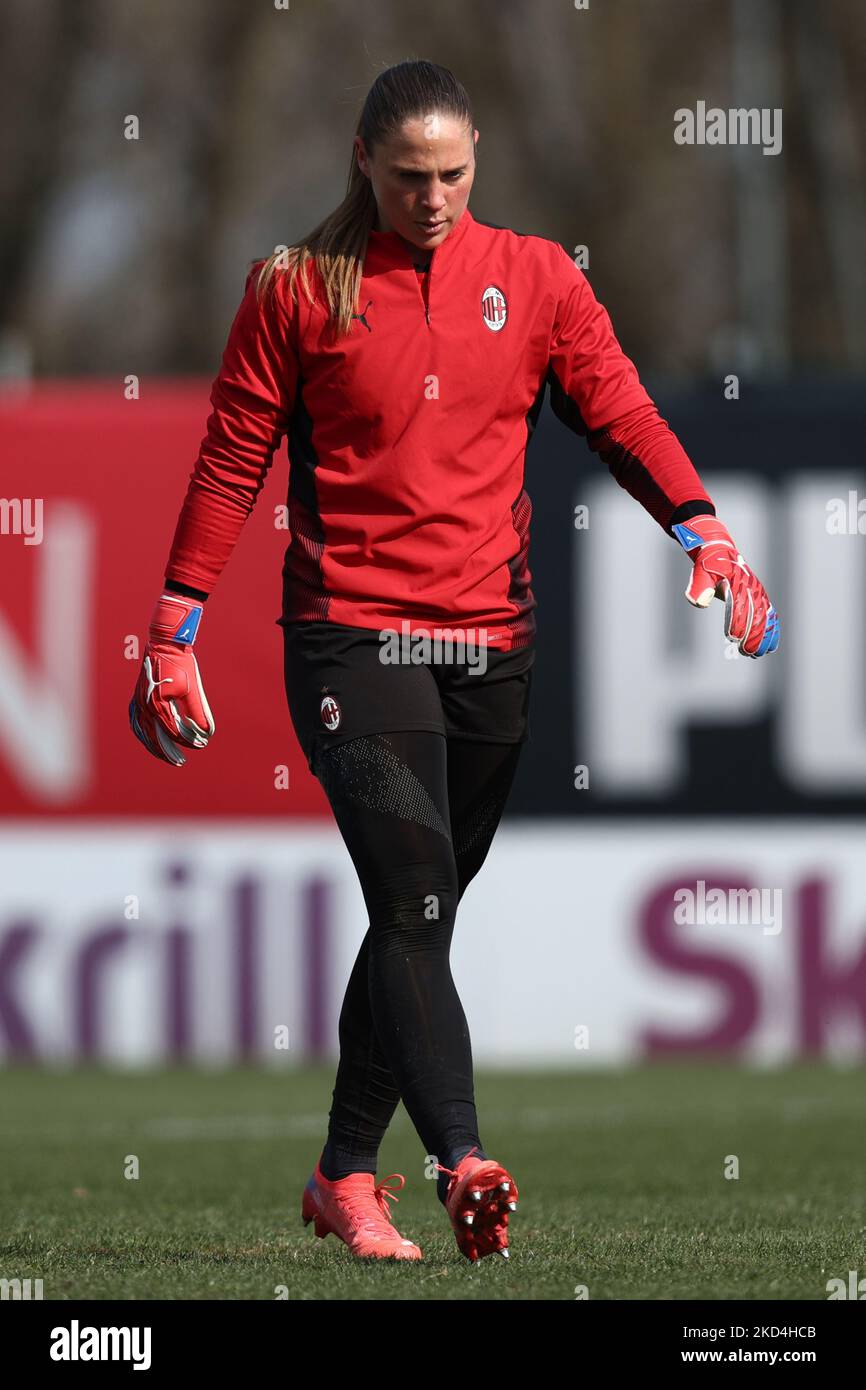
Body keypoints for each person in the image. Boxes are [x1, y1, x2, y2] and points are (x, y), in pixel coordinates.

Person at [128, 59, 780, 1265]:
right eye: (410, 175)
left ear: (477, 160)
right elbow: (229, 462)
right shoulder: (294, 288)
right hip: (349, 634)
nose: (433, 197)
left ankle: (338, 1176)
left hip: (490, 644)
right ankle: (460, 1160)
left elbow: (621, 410)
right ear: (362, 159)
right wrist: (171, 629)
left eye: (454, 174)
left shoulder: (535, 279)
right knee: (416, 895)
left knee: (411, 920)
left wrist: (703, 527)